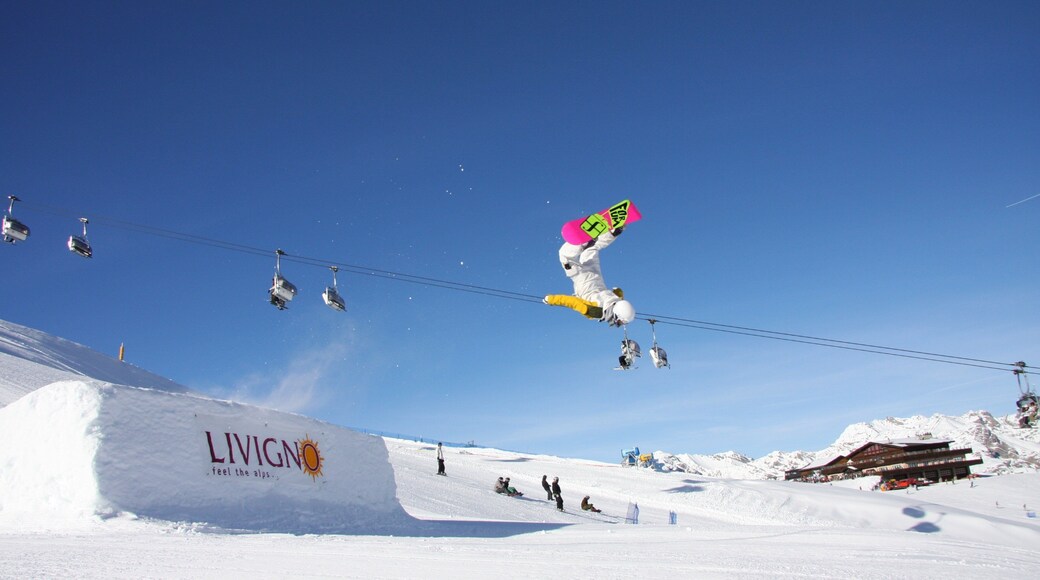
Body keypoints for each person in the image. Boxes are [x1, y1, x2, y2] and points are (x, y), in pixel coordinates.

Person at [544, 228, 635, 327]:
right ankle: (584, 242)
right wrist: (552, 300)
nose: (618, 324)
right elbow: (573, 302)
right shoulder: (595, 312)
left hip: (595, 276)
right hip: (582, 279)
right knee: (565, 256)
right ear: (617, 315)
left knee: (591, 249)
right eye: (620, 322)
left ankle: (613, 232)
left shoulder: (616, 300)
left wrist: (618, 292)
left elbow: (619, 292)